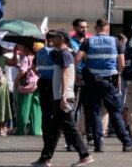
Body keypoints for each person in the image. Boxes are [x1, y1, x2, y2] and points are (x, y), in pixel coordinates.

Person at [74, 19, 132, 152]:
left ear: (96, 28)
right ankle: (126, 143)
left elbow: (77, 59)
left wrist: (77, 74)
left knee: (94, 112)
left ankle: (98, 144)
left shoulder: (88, 42)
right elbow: (122, 64)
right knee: (115, 112)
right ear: (107, 28)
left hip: (92, 81)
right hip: (109, 82)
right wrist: (118, 74)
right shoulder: (116, 42)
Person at [33, 30, 92, 167]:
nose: (51, 40)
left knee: (70, 127)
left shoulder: (64, 54)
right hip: (60, 96)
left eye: (54, 37)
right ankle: (45, 158)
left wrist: (64, 95)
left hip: (63, 96)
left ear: (61, 38)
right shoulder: (63, 53)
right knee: (54, 130)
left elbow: (65, 74)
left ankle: (85, 155)